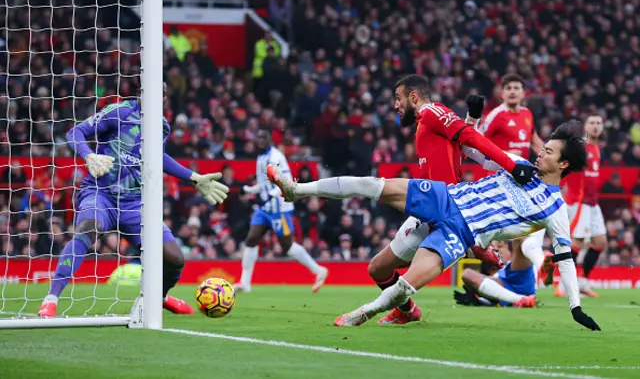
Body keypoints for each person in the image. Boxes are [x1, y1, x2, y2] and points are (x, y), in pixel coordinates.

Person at [266, 121, 601, 331]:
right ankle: (296, 189)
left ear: (564, 163)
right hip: (445, 197)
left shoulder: (555, 210)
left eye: (548, 152)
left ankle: (364, 313)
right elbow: (475, 148)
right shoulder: (521, 166)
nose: (540, 154)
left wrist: (575, 306)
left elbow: (566, 261)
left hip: (462, 231)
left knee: (409, 282)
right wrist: (471, 122)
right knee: (375, 185)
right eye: (542, 149)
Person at [38, 84, 229, 318]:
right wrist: (88, 156)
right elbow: (75, 133)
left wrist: (193, 177)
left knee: (175, 257)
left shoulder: (161, 126)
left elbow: (158, 157)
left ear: (164, 99)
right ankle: (51, 299)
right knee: (88, 228)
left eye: (160, 95)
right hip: (101, 193)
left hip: (134, 204)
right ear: (140, 93)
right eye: (148, 92)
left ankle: (159, 298)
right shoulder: (118, 112)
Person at [368, 75, 533, 325]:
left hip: (445, 210)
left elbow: (470, 138)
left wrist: (511, 166)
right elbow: (460, 151)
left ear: (414, 97)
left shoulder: (433, 111)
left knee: (402, 273)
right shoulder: (427, 123)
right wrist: (473, 118)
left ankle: (479, 250)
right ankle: (407, 310)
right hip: (428, 210)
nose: (395, 105)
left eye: (398, 99)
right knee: (378, 268)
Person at [235, 129, 328, 293]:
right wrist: (249, 190)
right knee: (251, 239)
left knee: (288, 246)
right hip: (265, 208)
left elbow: (284, 182)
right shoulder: (261, 157)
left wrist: (267, 197)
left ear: (270, 141)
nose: (261, 141)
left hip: (279, 208)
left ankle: (318, 270)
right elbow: (264, 184)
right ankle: (245, 283)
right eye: (259, 138)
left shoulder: (276, 158)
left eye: (264, 138)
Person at [477, 74, 547, 283]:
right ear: (502, 92)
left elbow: (535, 143)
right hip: (498, 182)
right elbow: (476, 140)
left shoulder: (527, 114)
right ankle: (534, 269)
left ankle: (524, 279)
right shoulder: (496, 116)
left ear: (523, 93)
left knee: (521, 233)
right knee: (493, 233)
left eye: (517, 87)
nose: (513, 91)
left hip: (521, 181)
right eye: (509, 88)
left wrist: (550, 162)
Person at [556, 114, 605, 298]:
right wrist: (562, 190)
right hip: (580, 202)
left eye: (598, 123)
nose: (595, 126)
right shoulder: (580, 147)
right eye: (592, 123)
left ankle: (582, 283)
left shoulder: (597, 148)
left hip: (593, 204)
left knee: (600, 242)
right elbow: (566, 168)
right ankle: (564, 283)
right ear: (585, 126)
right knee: (577, 242)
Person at [455, 240, 537, 308]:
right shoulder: (491, 270)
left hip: (518, 279)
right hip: (504, 287)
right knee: (467, 274)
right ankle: (523, 300)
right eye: (492, 247)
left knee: (519, 240)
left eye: (500, 246)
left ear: (510, 251)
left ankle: (541, 262)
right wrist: (481, 300)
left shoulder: (517, 264)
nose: (496, 249)